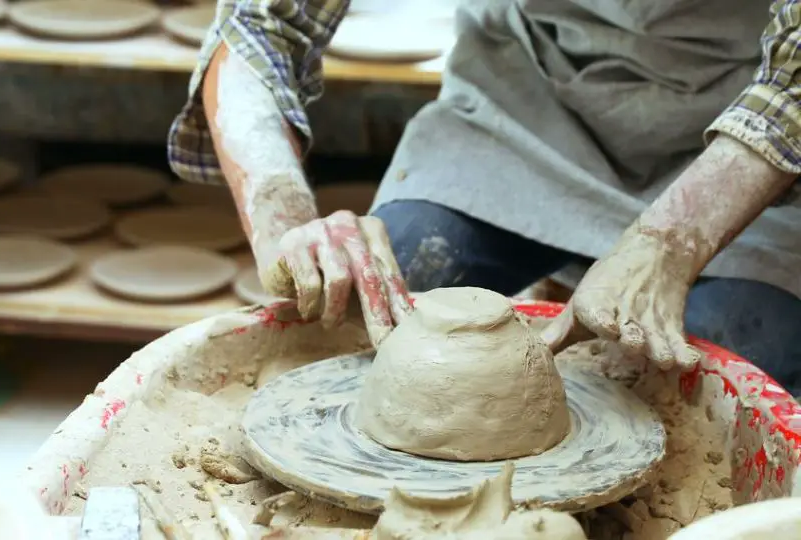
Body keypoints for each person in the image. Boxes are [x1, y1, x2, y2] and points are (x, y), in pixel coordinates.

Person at [166, 0, 801, 393]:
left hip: (747, 133)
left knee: (713, 376)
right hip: (526, 101)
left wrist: (668, 244)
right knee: (357, 320)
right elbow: (262, 22)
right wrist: (286, 224)